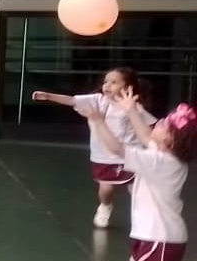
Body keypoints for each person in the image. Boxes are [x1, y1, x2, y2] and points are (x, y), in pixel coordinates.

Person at [79, 89, 197, 261]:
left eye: (165, 125)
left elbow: (119, 149)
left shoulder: (159, 162)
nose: (159, 123)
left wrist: (98, 123)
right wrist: (131, 110)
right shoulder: (165, 155)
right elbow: (145, 136)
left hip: (160, 236)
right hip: (153, 233)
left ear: (169, 139)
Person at [32, 68, 154, 228]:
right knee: (106, 188)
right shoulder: (98, 100)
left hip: (130, 155)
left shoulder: (134, 107)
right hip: (104, 157)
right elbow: (73, 100)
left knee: (137, 189)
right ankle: (105, 206)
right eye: (106, 82)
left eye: (114, 82)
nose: (107, 85)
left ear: (127, 87)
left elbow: (150, 127)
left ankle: (143, 215)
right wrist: (49, 96)